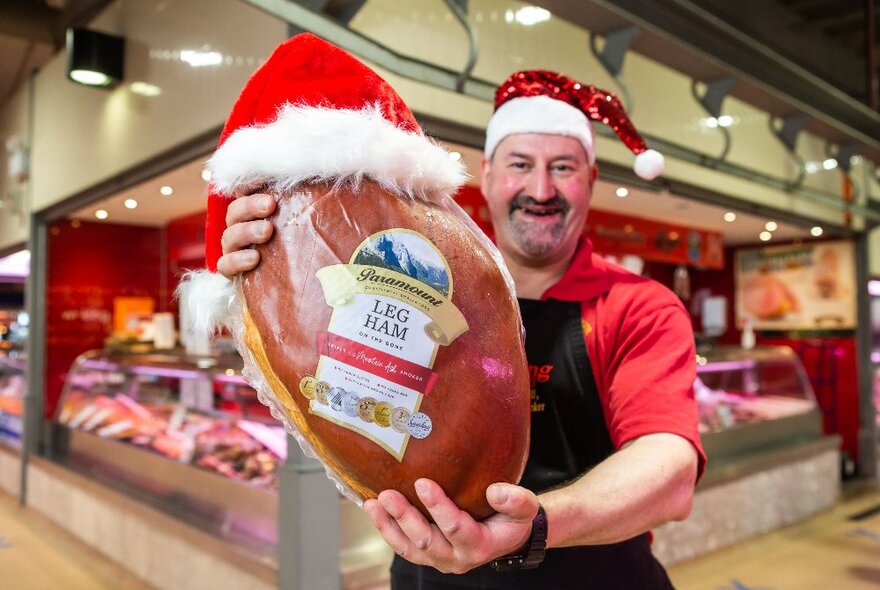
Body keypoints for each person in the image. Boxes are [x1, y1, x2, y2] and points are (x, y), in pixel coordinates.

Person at [215, 64, 704, 587]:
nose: (541, 188)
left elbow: (669, 472)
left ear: (590, 180)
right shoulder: (412, 267)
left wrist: (534, 526)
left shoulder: (639, 305)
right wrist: (269, 259)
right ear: (488, 174)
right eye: (521, 164)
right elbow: (322, 363)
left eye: (563, 167)